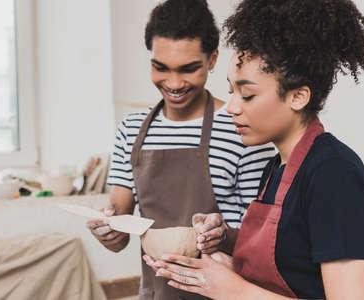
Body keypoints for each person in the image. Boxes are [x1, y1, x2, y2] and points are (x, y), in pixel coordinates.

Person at [147, 0, 364, 299]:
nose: (231, 108)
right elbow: (293, 265)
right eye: (231, 91)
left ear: (298, 96)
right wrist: (224, 241)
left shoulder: (333, 173)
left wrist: (234, 291)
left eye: (248, 94)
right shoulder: (277, 167)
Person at [86, 0, 275, 299]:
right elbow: (120, 234)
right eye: (161, 68)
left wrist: (220, 236)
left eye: (188, 69)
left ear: (212, 60)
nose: (174, 83)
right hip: (155, 293)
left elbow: (262, 243)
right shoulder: (131, 130)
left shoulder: (243, 129)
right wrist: (108, 229)